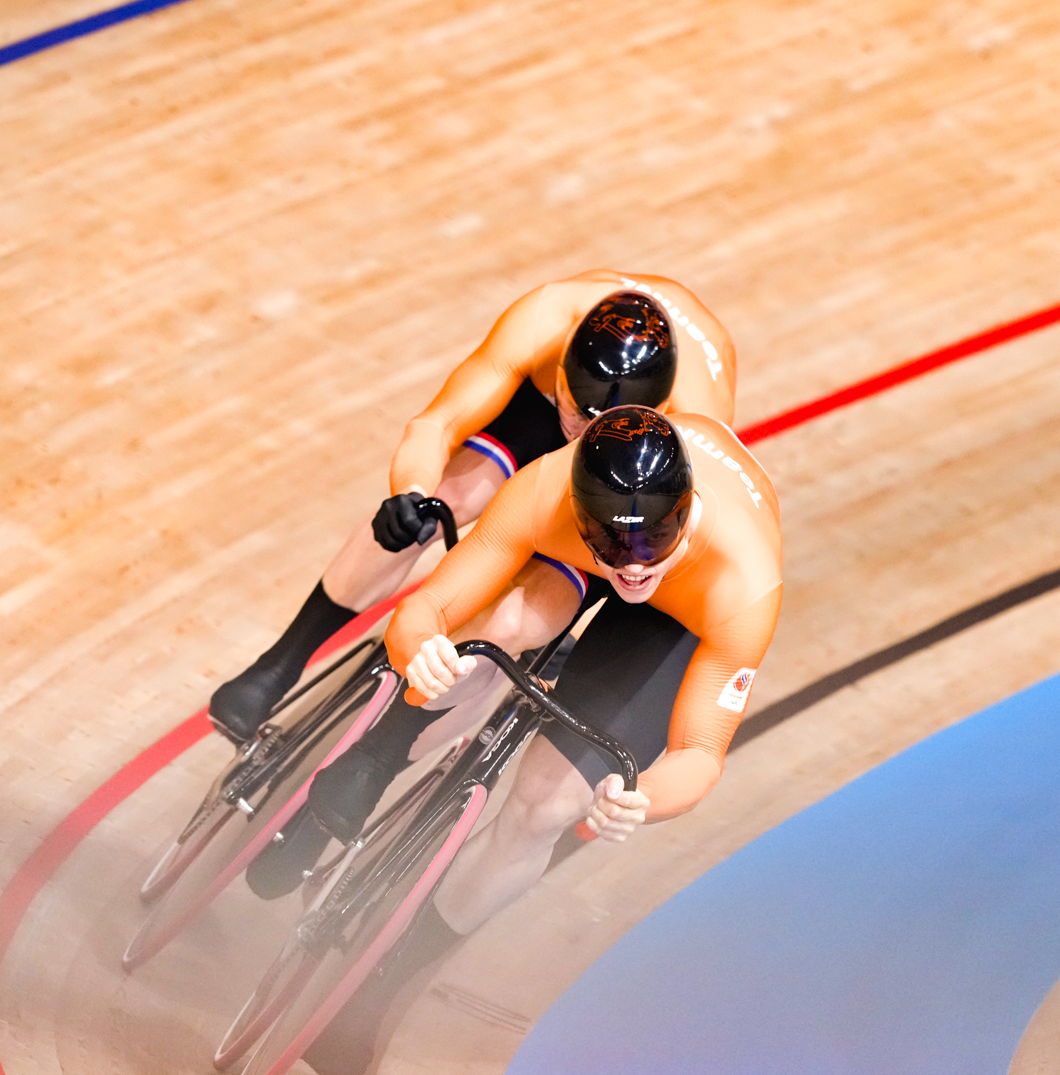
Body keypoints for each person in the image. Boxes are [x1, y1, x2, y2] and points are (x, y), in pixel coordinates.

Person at [299, 404, 781, 1075]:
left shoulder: (743, 582)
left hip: (682, 617)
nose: (634, 566)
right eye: (614, 545)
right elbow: (428, 607)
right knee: (492, 629)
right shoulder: (550, 491)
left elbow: (700, 751)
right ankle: (375, 757)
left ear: (686, 511)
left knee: (542, 809)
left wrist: (642, 797)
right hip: (568, 550)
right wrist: (424, 650)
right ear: (583, 516)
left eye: (653, 542)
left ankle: (387, 980)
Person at [208, 272, 737, 743]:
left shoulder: (695, 422)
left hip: (623, 471)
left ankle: (399, 742)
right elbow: (436, 424)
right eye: (574, 412)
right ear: (562, 371)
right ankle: (278, 664)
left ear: (660, 410)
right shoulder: (544, 320)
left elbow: (677, 552)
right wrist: (409, 492)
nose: (577, 430)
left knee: (522, 614)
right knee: (446, 498)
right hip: (538, 417)